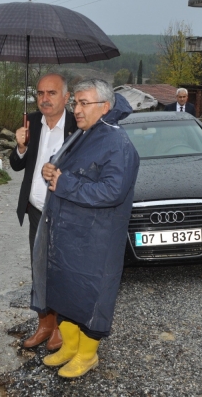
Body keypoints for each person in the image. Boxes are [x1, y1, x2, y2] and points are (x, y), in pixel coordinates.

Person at [40, 79, 139, 378]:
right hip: (71, 237)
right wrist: (51, 169)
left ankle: (87, 355)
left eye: (84, 103)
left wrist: (64, 182)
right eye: (76, 103)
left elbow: (112, 191)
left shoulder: (118, 143)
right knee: (66, 293)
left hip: (96, 241)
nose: (77, 109)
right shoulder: (84, 134)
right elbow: (70, 171)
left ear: (105, 107)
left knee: (91, 297)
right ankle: (70, 347)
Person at [9, 73, 77, 351]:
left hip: (65, 212)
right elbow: (15, 165)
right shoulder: (32, 124)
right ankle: (44, 323)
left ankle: (62, 325)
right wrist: (21, 146)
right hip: (37, 210)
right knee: (39, 268)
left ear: (66, 97)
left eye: (51, 93)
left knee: (62, 269)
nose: (44, 99)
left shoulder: (77, 126)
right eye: (40, 93)